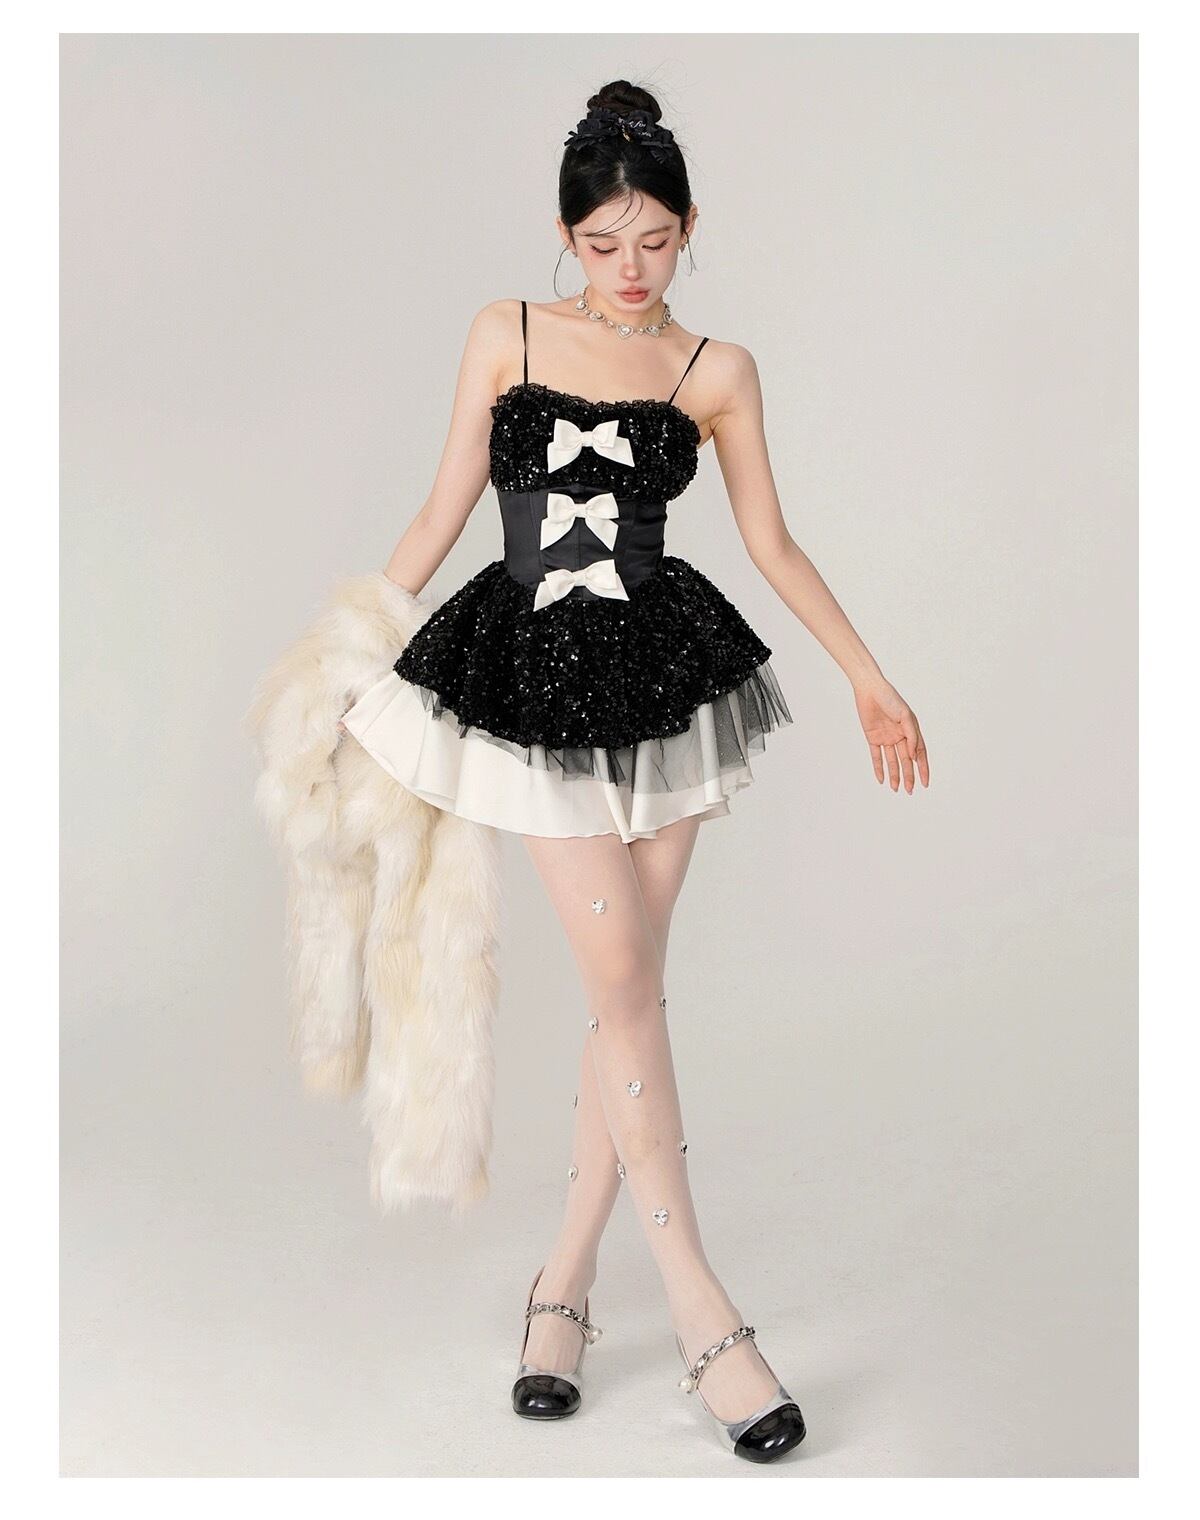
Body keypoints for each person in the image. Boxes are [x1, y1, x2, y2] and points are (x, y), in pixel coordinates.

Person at [338, 79, 930, 1464]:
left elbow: (772, 542)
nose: (629, 267)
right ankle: (707, 1317)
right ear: (566, 236)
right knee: (621, 981)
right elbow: (441, 511)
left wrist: (868, 675)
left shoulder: (717, 369)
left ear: (689, 228)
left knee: (628, 995)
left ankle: (561, 1287)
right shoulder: (505, 330)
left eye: (655, 240)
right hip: (524, 675)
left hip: (665, 676)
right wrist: (344, 655)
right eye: (603, 243)